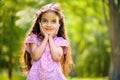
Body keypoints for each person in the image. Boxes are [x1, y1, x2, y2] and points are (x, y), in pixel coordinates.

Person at [20, 3, 73, 80]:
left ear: (59, 24)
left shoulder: (60, 41)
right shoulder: (34, 39)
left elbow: (56, 57)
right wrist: (45, 38)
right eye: (45, 21)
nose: (49, 24)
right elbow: (35, 56)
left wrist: (50, 38)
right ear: (39, 22)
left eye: (53, 21)